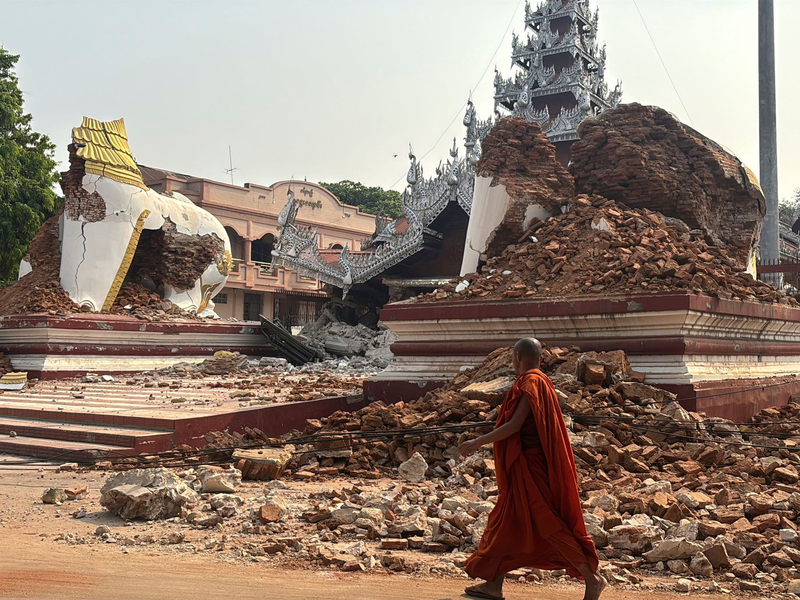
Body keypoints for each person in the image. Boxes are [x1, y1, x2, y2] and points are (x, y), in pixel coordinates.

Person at [459, 337, 605, 600]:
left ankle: (592, 579)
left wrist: (477, 442)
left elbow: (514, 426)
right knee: (504, 524)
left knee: (549, 525)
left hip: (530, 470)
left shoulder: (531, 382)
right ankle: (493, 585)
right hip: (524, 468)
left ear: (516, 356)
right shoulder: (541, 381)